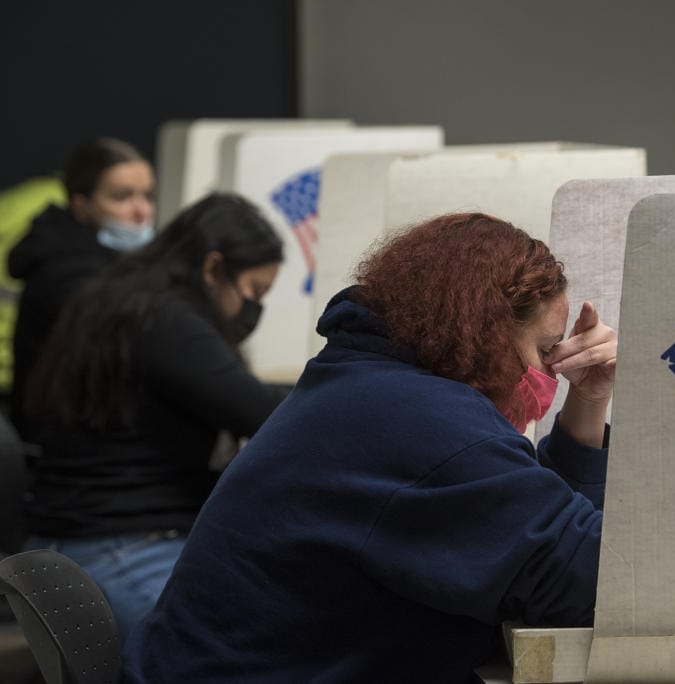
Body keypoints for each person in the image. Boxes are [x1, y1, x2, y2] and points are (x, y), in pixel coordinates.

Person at [121, 212, 616, 683]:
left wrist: (588, 402)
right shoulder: (422, 421)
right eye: (546, 350)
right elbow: (591, 581)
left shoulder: (368, 382)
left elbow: (539, 535)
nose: (551, 371)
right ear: (486, 333)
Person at [21, 192, 289, 640]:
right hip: (121, 547)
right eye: (253, 292)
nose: (253, 309)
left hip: (77, 541)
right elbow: (264, 414)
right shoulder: (167, 320)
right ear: (213, 268)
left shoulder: (123, 297)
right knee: (252, 652)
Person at [8, 137, 155, 435]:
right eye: (122, 197)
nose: (142, 211)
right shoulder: (70, 276)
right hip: (62, 443)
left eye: (147, 195)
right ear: (81, 205)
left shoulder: (113, 263)